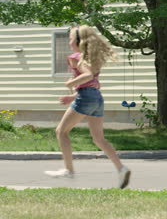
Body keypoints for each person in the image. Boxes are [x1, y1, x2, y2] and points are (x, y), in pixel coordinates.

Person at [45, 25, 131, 189]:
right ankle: (121, 168)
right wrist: (72, 96)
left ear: (78, 41)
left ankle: (69, 170)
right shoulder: (90, 59)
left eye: (70, 39)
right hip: (96, 98)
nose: (69, 43)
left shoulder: (76, 57)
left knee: (61, 132)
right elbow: (94, 85)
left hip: (87, 97)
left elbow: (87, 76)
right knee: (99, 139)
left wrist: (70, 83)